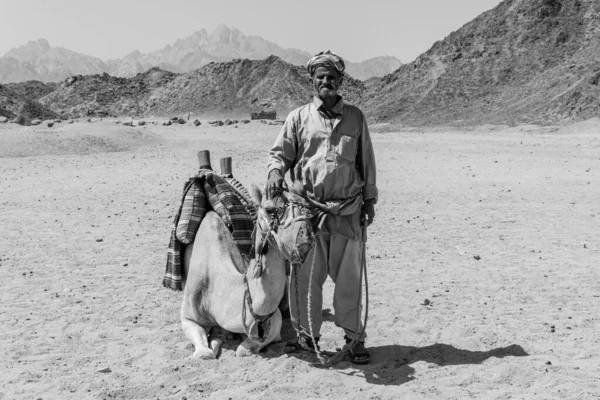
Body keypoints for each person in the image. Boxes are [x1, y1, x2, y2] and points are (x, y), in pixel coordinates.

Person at [266, 50, 377, 364]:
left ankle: (354, 339)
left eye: (331, 77)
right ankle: (306, 337)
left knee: (350, 280)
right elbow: (280, 154)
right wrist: (275, 172)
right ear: (312, 81)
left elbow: (365, 161)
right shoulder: (298, 117)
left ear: (340, 80)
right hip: (308, 214)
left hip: (348, 212)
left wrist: (369, 200)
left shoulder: (356, 118)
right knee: (305, 280)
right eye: (320, 77)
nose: (325, 82)